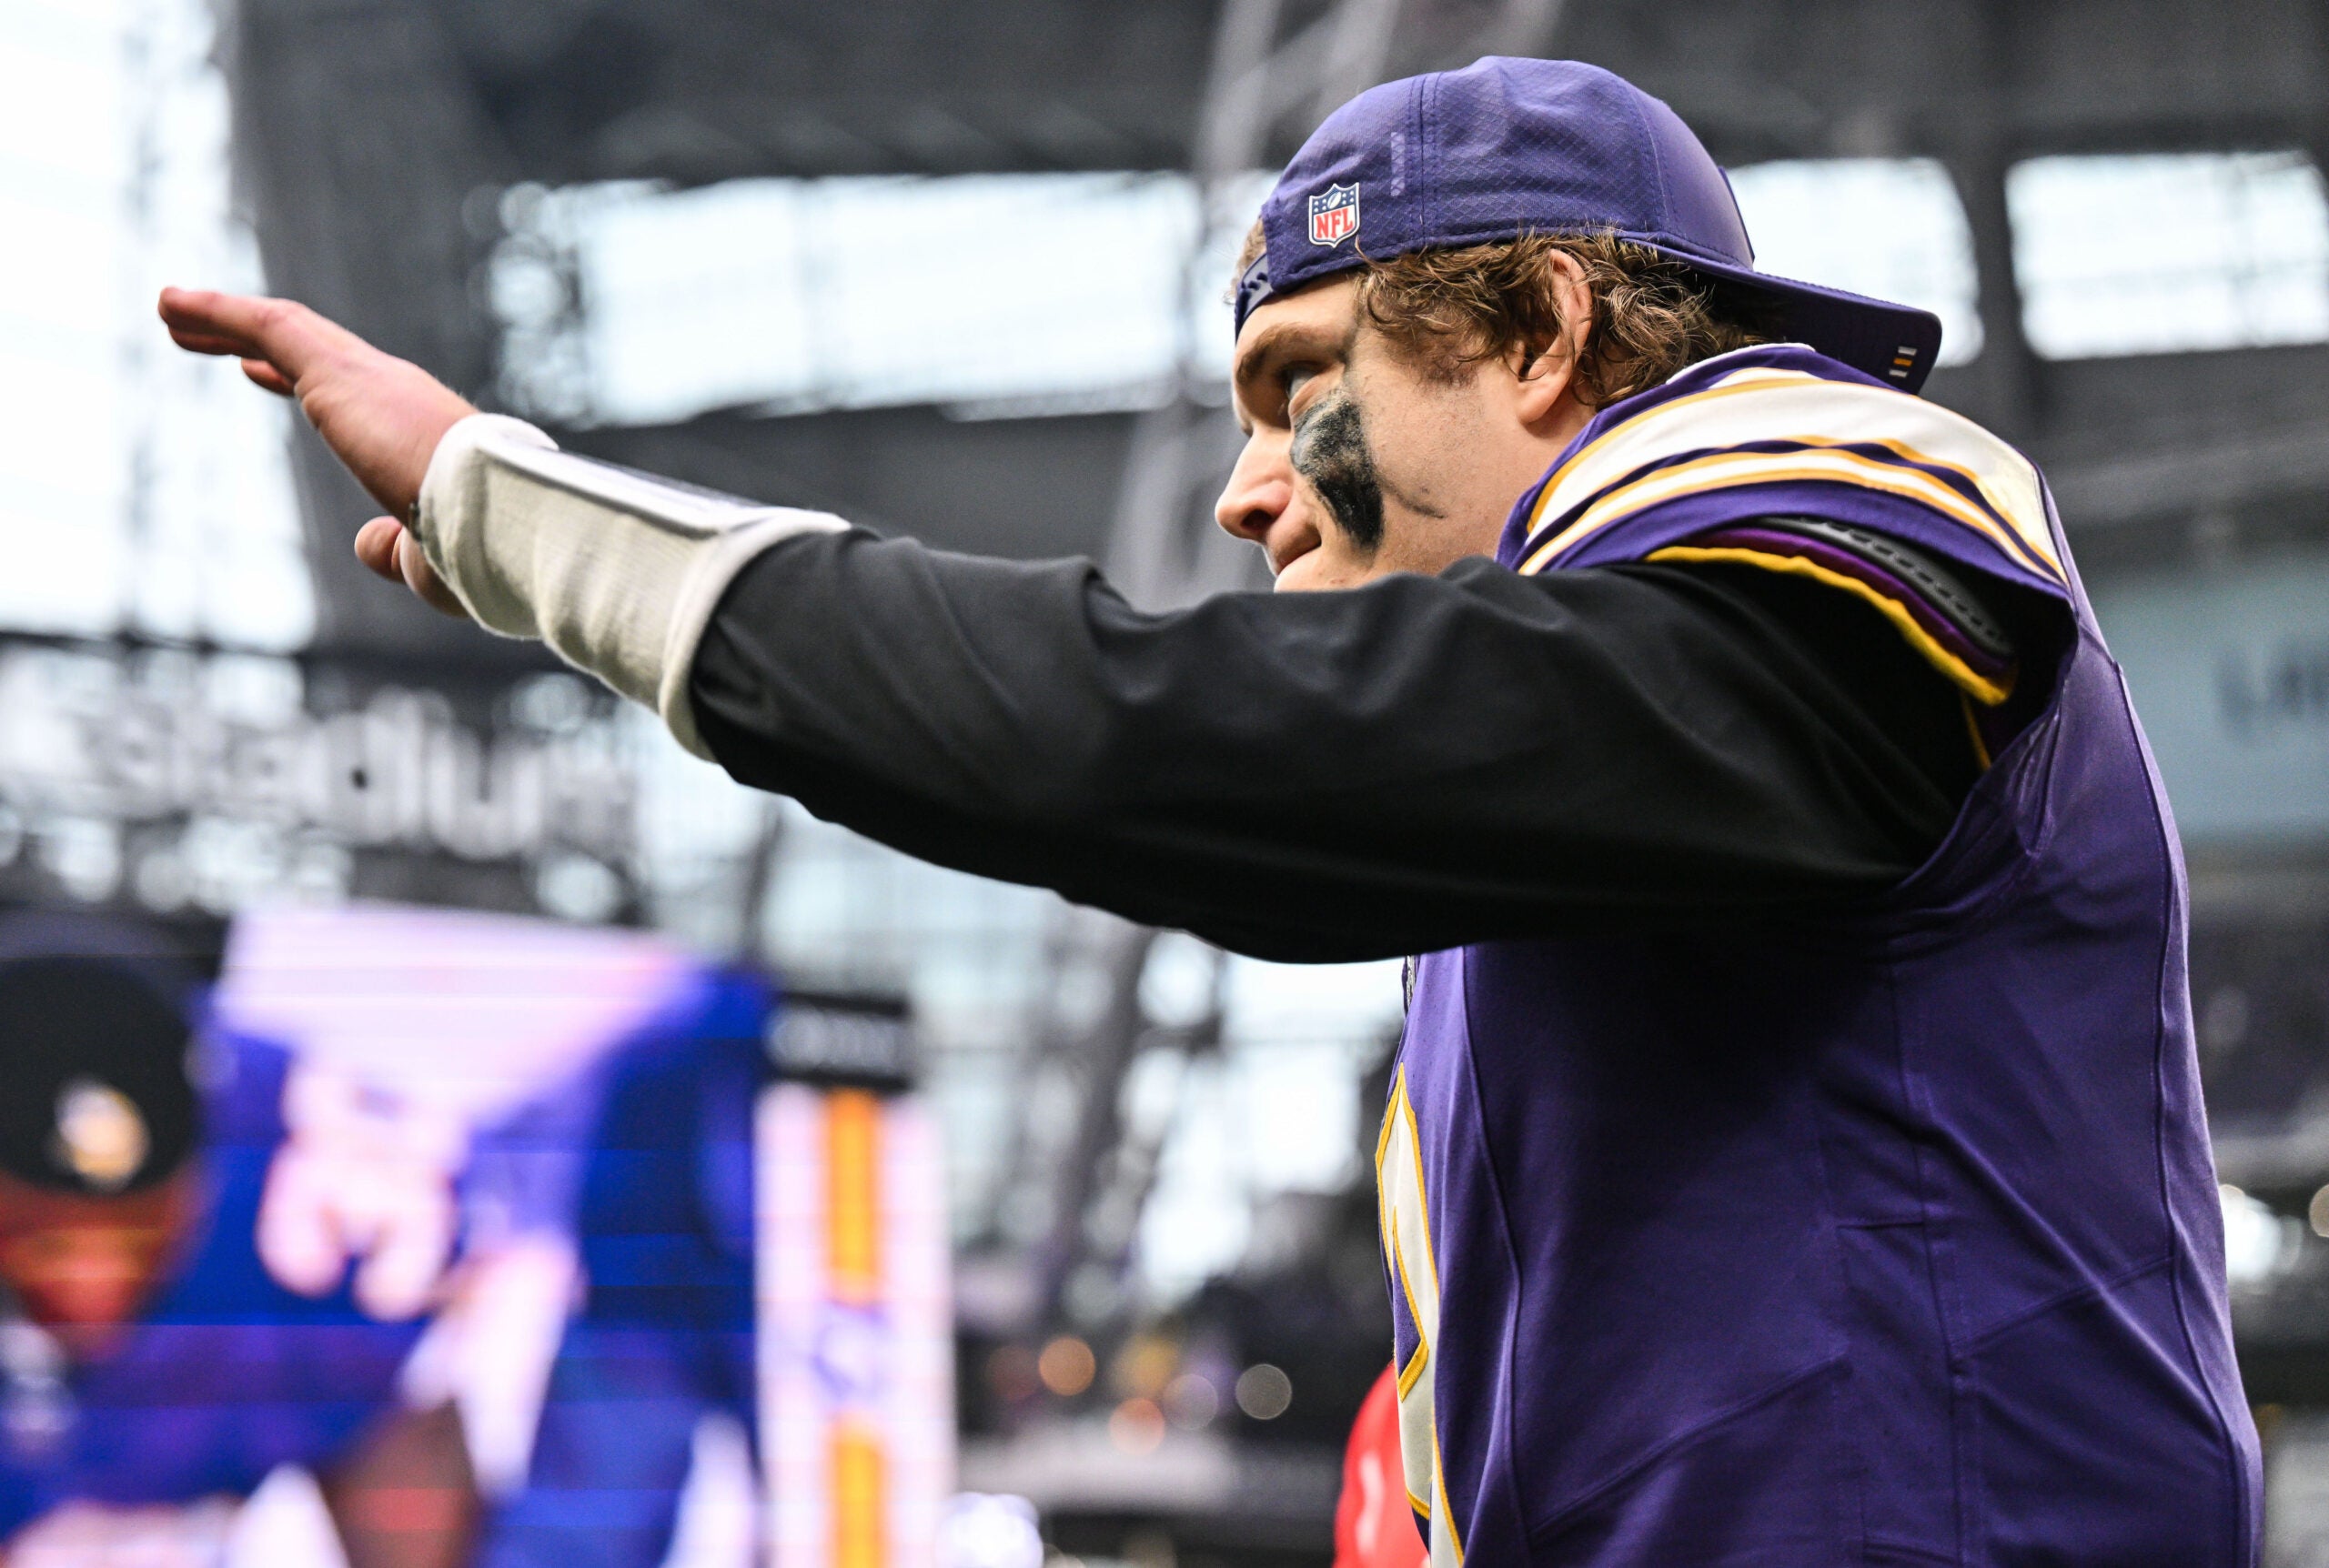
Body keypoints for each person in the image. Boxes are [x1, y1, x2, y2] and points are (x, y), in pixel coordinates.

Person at [161, 55, 2258, 1567]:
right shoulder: (1548, 879)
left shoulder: (1825, 473)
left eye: (1300, 382)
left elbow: (1165, 741)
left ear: (1542, 330)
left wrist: (547, 531)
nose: (1250, 489)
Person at [0, 916, 475, 1568]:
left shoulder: (309, 1183)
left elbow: (407, 1435)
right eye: (42, 1242)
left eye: (138, 1233)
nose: (91, 1280)